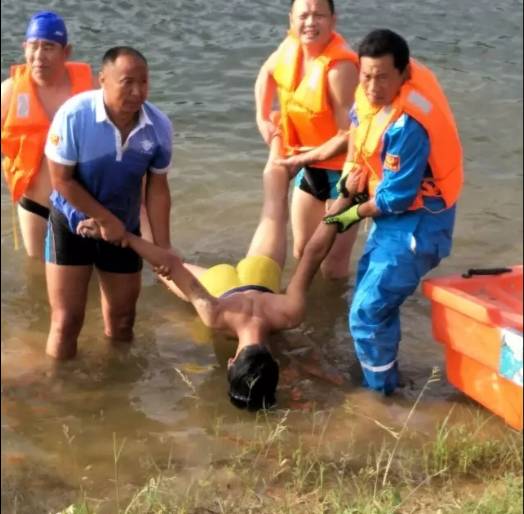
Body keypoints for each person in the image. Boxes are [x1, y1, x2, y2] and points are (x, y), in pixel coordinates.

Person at [77, 135, 361, 410]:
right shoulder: (215, 315)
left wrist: (344, 199)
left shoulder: (289, 312)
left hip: (260, 275)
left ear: (274, 363)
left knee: (274, 208)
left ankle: (278, 134)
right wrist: (124, 237)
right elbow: (170, 266)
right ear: (230, 363)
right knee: (160, 267)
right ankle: (137, 192)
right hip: (220, 288)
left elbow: (313, 253)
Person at [323, 29, 463, 394]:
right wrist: (347, 179)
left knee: (366, 313)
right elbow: (358, 125)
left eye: (383, 77)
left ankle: (381, 395)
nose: (373, 87)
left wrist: (350, 215)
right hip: (392, 221)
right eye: (367, 76)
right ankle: (387, 376)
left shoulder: (409, 125)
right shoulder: (366, 88)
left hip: (420, 222)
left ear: (403, 74)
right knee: (372, 303)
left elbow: (394, 199)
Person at [43, 46, 173, 360]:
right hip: (70, 223)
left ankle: (118, 389)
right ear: (102, 79)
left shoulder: (158, 128)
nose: (137, 91)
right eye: (127, 82)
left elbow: (157, 189)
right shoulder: (74, 115)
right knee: (66, 321)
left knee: (123, 322)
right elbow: (61, 179)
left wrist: (163, 248)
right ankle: (58, 393)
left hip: (123, 229)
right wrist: (103, 219)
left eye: (143, 82)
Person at [254, 0, 359, 279]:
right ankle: (310, 319)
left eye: (319, 16)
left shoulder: (340, 68)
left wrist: (299, 159)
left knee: (333, 265)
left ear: (333, 21)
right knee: (302, 253)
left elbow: (350, 136)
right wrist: (262, 117)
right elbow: (265, 73)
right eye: (304, 16)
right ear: (291, 19)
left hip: (346, 176)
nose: (310, 23)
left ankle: (334, 320)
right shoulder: (289, 47)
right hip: (311, 169)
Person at [1, 11, 95, 259]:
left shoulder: (88, 90)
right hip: (35, 205)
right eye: (33, 46)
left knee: (87, 272)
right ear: (24, 48)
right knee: (39, 276)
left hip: (81, 203)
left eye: (49, 47)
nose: (39, 56)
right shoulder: (10, 91)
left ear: (67, 51)